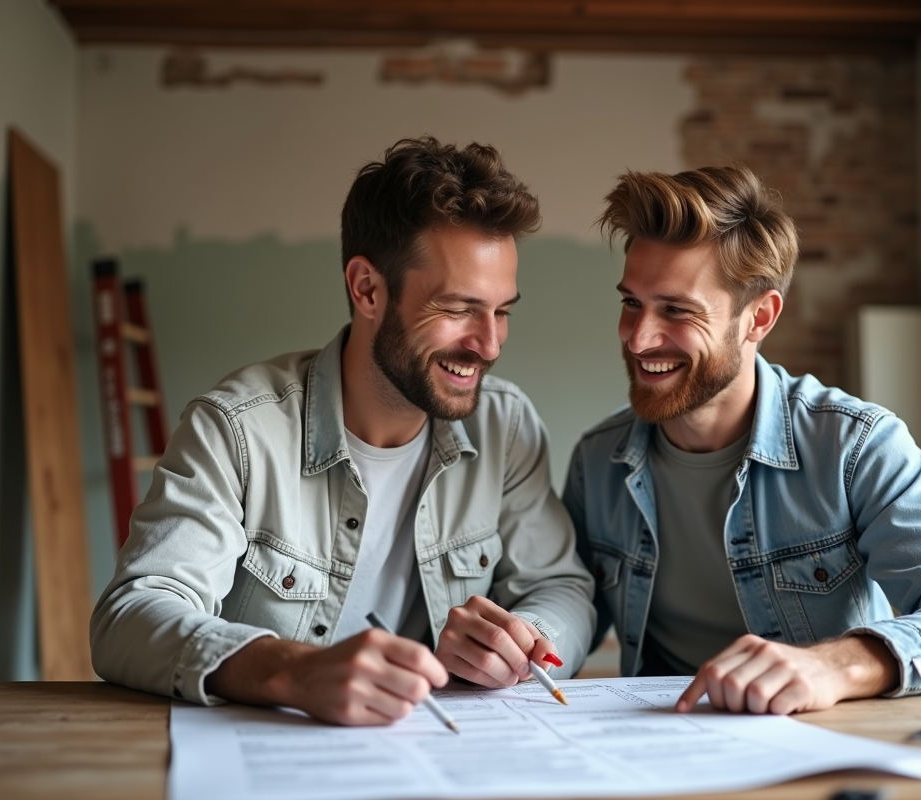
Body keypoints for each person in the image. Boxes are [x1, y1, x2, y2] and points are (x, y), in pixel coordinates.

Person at [91, 136, 595, 726]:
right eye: (459, 309)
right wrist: (291, 670)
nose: (489, 344)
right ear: (367, 289)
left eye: (502, 311)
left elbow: (562, 587)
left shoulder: (505, 426)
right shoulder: (236, 428)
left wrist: (522, 639)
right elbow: (130, 616)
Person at [564, 165, 921, 716]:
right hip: (656, 735)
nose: (639, 338)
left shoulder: (856, 447)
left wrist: (835, 664)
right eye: (631, 303)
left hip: (819, 736)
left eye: (677, 310)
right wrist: (527, 637)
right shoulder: (598, 458)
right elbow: (571, 602)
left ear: (758, 317)